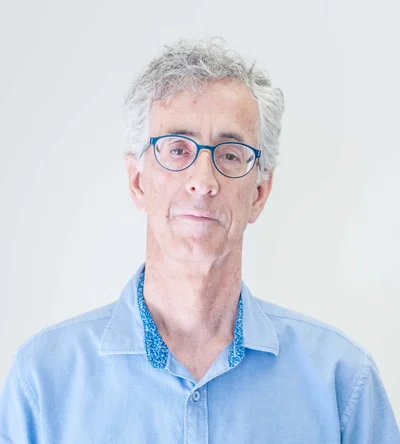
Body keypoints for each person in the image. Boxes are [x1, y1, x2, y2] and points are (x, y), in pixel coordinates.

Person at [0, 38, 399, 444]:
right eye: (177, 149)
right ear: (138, 182)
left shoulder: (342, 383)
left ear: (259, 192)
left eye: (230, 154)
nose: (203, 181)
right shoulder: (42, 383)